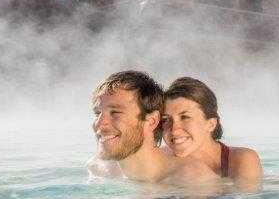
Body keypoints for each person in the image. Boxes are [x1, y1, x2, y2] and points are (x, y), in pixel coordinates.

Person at [88, 70, 217, 184]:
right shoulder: (99, 169)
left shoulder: (192, 178)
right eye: (97, 113)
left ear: (151, 121)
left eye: (115, 112)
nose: (99, 124)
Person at [162, 77, 262, 190]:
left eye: (185, 117)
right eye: (165, 119)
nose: (174, 129)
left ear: (211, 124)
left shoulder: (241, 160)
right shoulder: (159, 160)